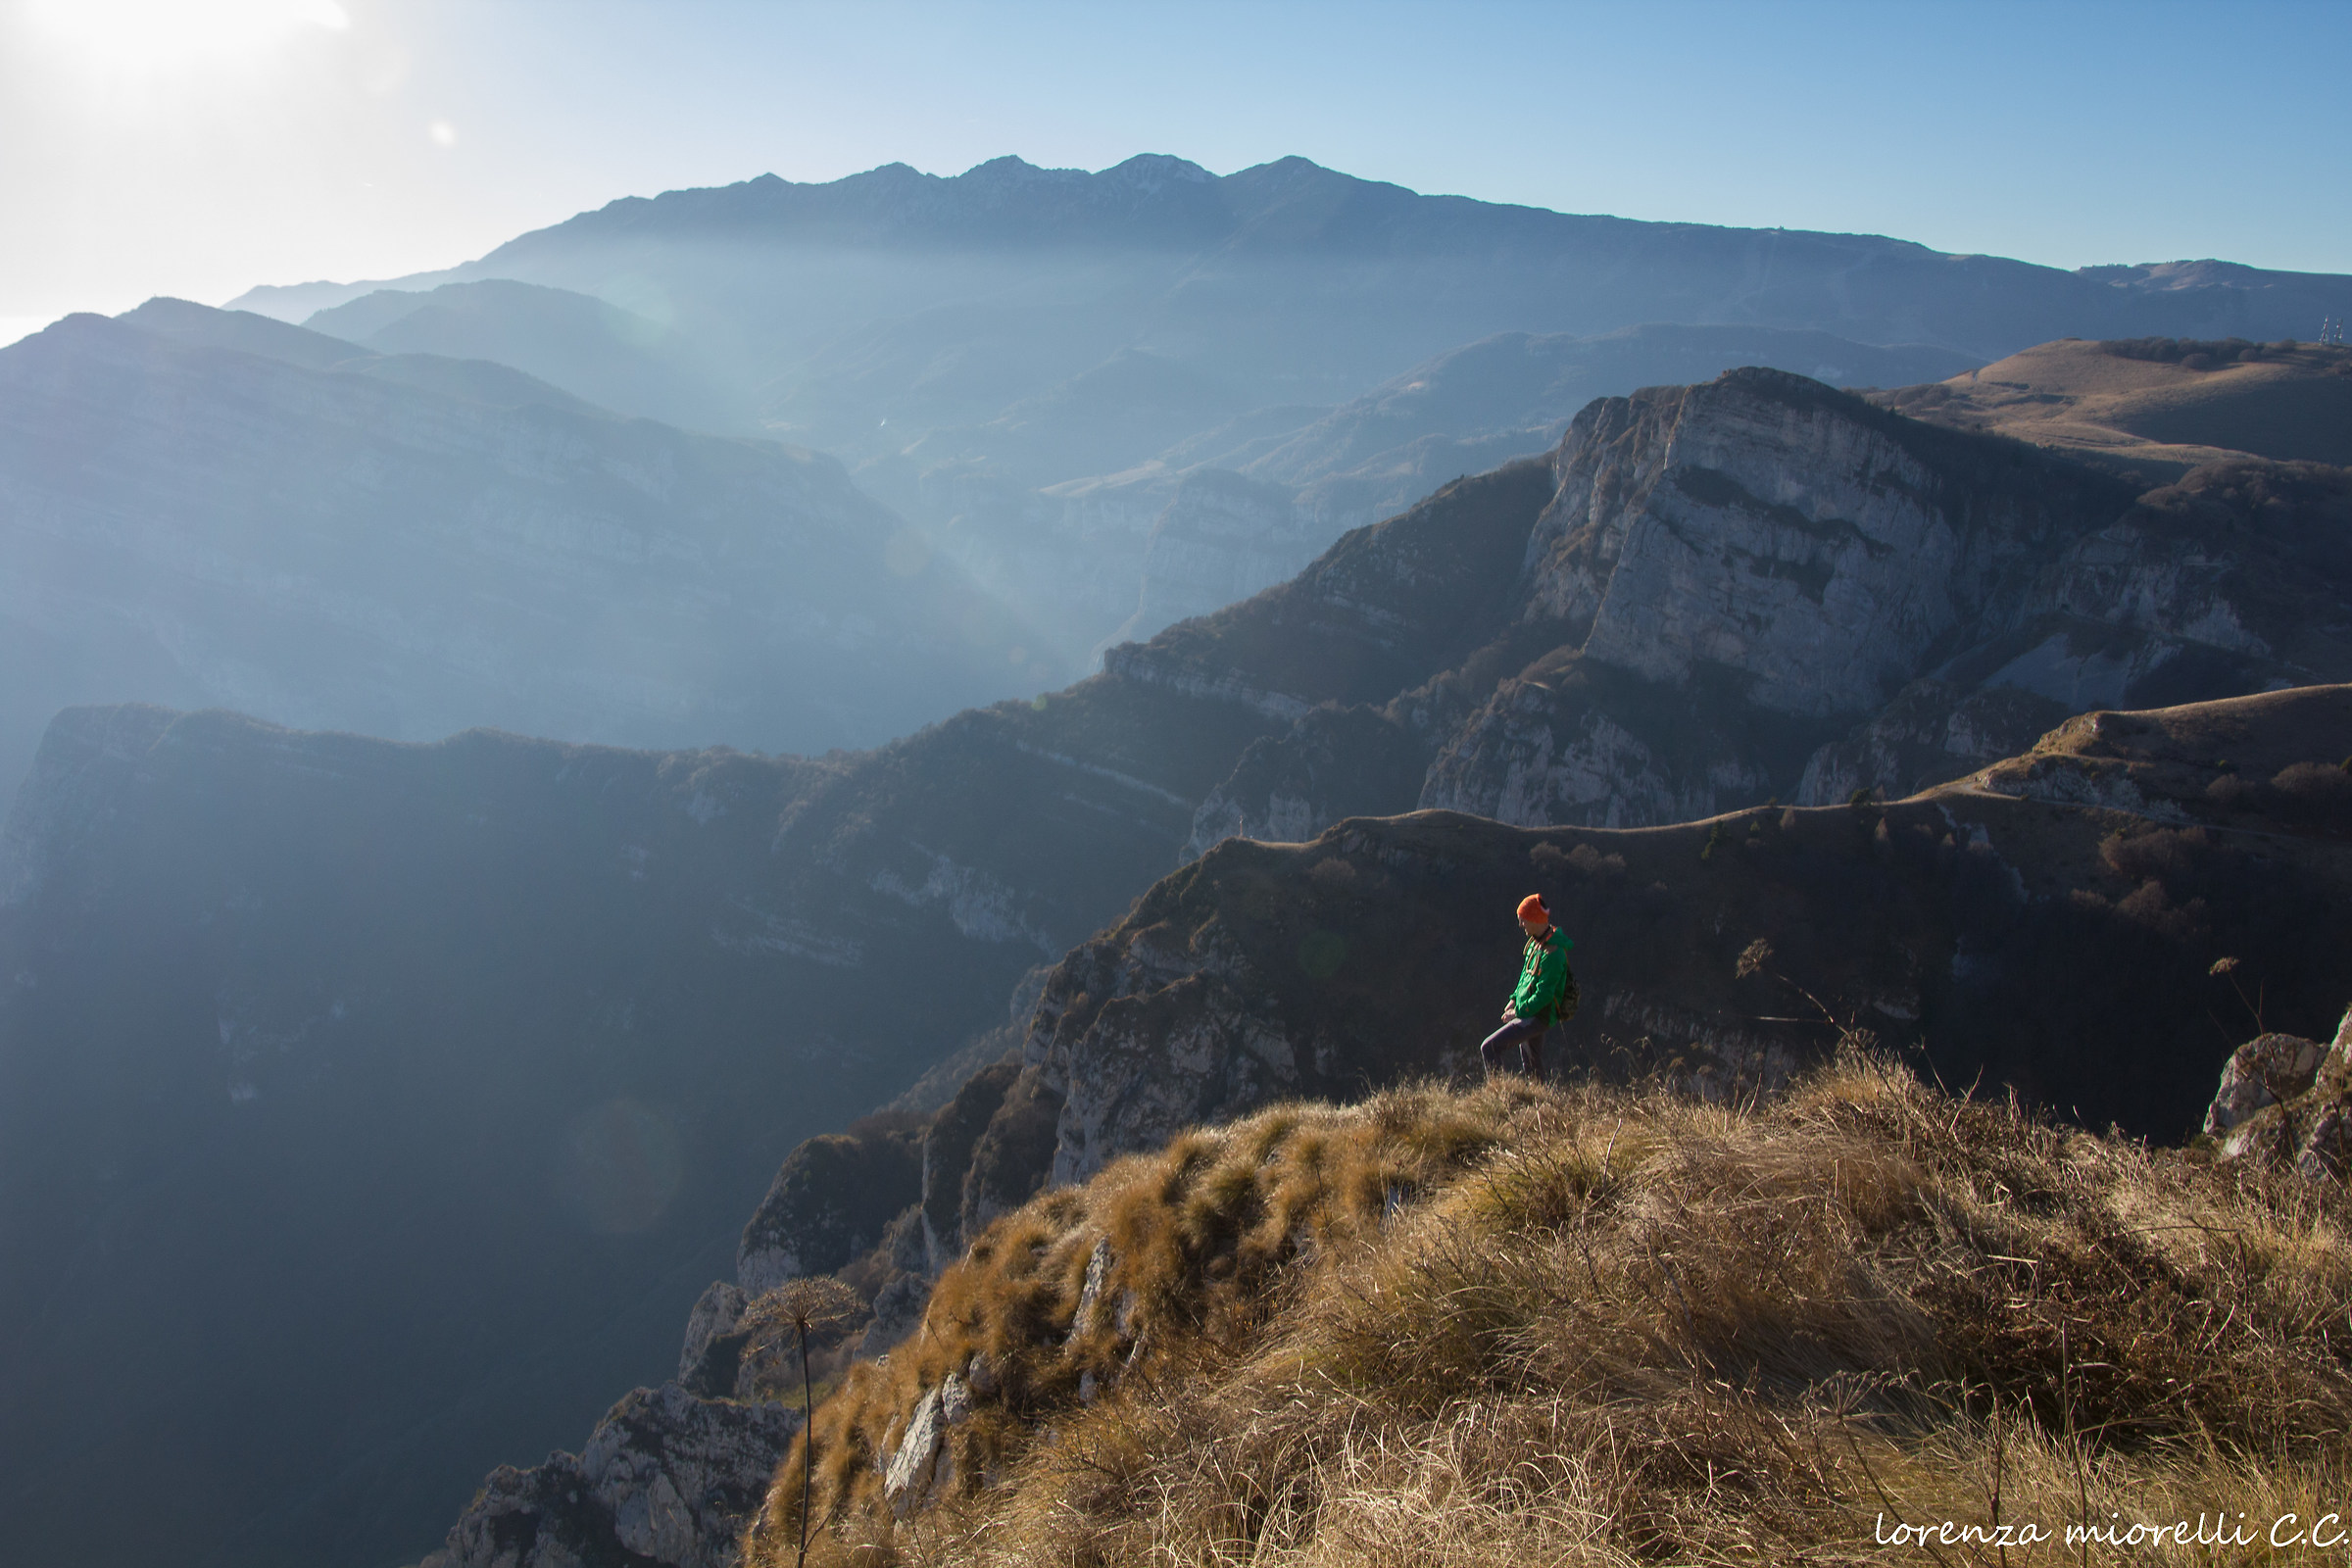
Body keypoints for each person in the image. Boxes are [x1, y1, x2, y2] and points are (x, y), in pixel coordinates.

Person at [1480, 893, 1575, 1084]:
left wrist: (1518, 1012)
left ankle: (1499, 1094)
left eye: (1522, 920)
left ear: (1533, 919)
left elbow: (1545, 994)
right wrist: (1514, 998)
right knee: (1532, 1062)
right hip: (1531, 1011)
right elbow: (1526, 976)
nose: (1520, 925)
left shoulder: (1553, 954)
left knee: (1489, 1048)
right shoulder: (1536, 944)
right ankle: (1538, 1102)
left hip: (1538, 1015)